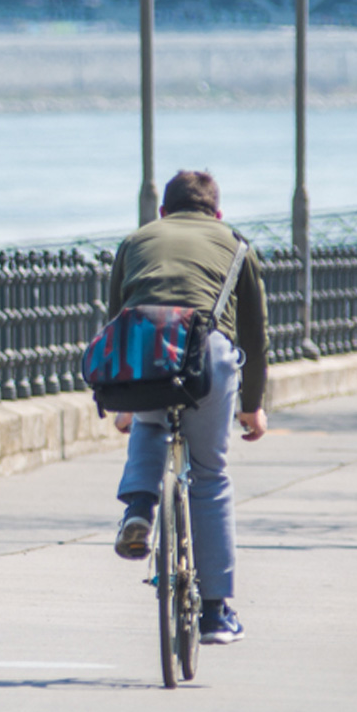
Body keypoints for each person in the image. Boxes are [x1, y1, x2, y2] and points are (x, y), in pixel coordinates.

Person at [102, 169, 267, 643]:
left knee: (150, 428)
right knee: (210, 474)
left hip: (144, 350)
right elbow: (255, 335)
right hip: (206, 353)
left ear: (163, 212)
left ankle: (138, 507)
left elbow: (116, 317)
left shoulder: (137, 239)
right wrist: (252, 405)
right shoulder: (236, 243)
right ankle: (215, 612)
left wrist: (124, 400)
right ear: (216, 213)